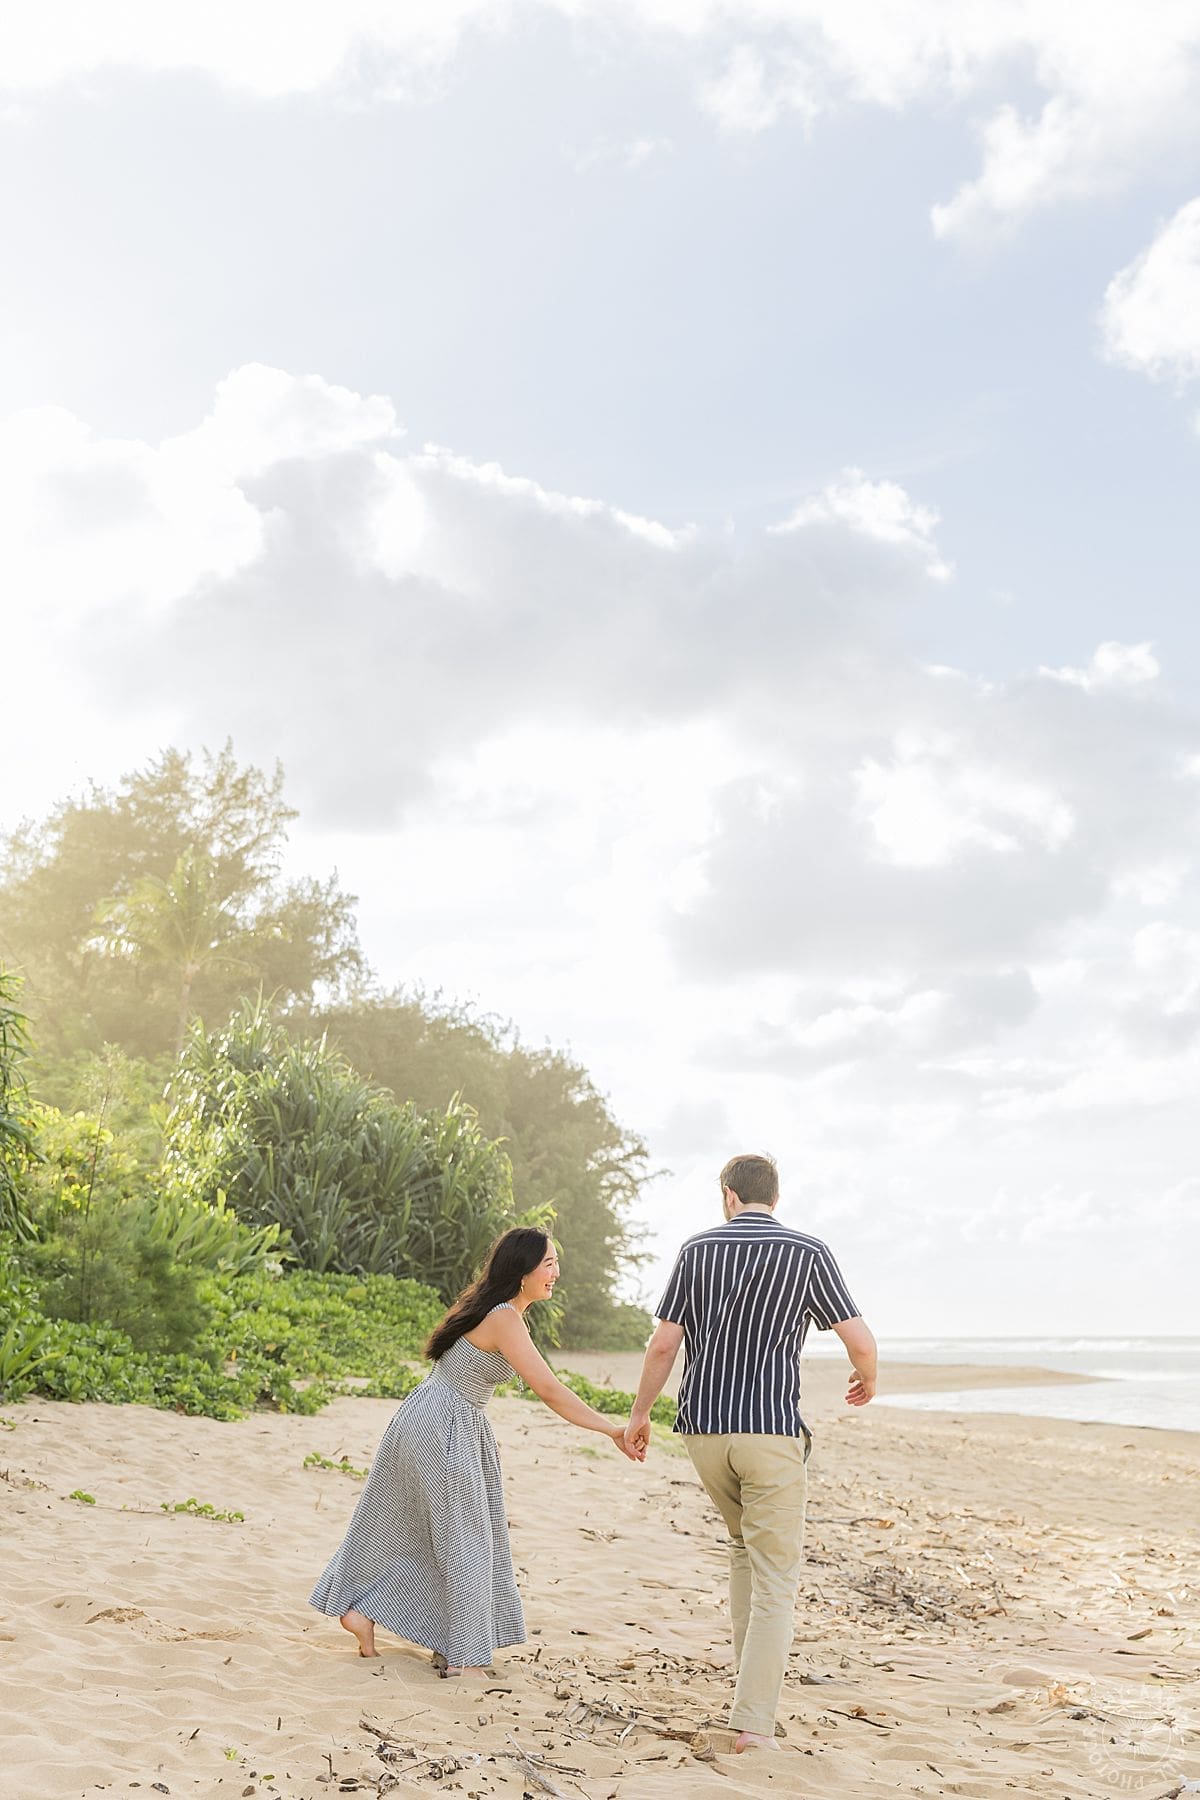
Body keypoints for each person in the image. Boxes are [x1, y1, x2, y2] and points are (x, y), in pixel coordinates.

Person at [624, 1153, 876, 1752]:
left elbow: (663, 1347)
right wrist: (868, 1378)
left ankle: (748, 1695)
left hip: (703, 1432)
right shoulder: (806, 1253)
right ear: (774, 1198)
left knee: (744, 1551)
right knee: (777, 1578)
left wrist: (638, 1415)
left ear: (728, 1195)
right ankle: (754, 1725)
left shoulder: (696, 1251)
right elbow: (859, 1339)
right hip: (769, 1430)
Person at [310, 1227, 642, 1674]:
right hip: (444, 1424)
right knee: (466, 1542)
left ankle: (364, 1612)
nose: (556, 1273)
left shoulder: (488, 1307)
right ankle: (463, 1658)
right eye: (548, 1264)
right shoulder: (504, 1317)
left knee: (418, 1531)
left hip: (429, 1415)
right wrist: (611, 1430)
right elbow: (547, 1388)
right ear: (521, 1271)